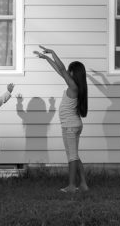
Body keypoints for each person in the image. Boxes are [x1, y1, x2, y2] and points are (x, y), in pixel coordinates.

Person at [34, 45, 88, 192]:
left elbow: (62, 70)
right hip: (74, 124)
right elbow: (60, 71)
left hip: (70, 126)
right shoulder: (76, 86)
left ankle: (71, 186)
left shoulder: (73, 86)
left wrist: (53, 53)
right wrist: (46, 59)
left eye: (70, 71)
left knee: (71, 157)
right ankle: (83, 184)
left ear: (73, 73)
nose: (68, 73)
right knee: (74, 155)